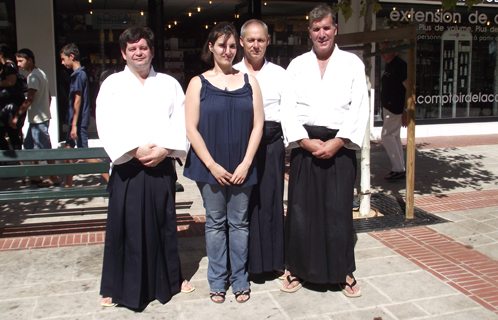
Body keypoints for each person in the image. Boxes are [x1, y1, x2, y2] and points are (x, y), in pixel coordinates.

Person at [96, 26, 193, 311]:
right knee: (124, 228)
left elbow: (181, 120)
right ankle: (116, 286)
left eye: (143, 47)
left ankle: (170, 280)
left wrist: (165, 149)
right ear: (123, 53)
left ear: (152, 51)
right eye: (132, 48)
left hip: (160, 164)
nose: (138, 52)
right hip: (128, 165)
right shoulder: (112, 84)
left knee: (163, 225)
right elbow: (105, 122)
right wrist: (133, 149)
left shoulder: (168, 83)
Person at [280, 4, 369, 297]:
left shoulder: (353, 63)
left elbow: (360, 107)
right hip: (306, 145)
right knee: (301, 210)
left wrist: (340, 141)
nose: (322, 34)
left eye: (327, 28)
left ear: (335, 29)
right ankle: (297, 268)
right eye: (316, 29)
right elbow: (287, 108)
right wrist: (302, 141)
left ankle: (342, 271)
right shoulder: (297, 65)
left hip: (340, 146)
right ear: (309, 32)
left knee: (338, 211)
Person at [183, 22, 264, 304]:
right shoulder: (197, 83)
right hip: (210, 167)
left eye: (231, 46)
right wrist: (212, 165)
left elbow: (258, 125)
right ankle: (217, 280)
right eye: (222, 45)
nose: (227, 51)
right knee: (216, 223)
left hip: (242, 165)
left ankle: (239, 278)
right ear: (211, 47)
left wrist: (246, 163)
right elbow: (191, 129)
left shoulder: (249, 81)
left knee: (239, 223)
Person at [233, 19, 286, 276]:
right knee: (243, 206)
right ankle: (245, 264)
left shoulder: (280, 74)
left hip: (272, 146)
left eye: (260, 40)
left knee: (270, 203)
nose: (256, 45)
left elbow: (289, 113)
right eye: (251, 40)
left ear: (268, 41)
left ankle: (272, 262)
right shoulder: (230, 73)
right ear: (242, 42)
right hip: (240, 149)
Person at [60, 43, 108, 187]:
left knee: (83, 153)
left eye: (63, 59)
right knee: (68, 151)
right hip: (75, 121)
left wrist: (74, 124)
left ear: (71, 56)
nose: (62, 63)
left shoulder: (78, 75)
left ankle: (109, 175)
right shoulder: (80, 74)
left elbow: (77, 100)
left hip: (78, 122)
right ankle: (68, 183)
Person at [14, 48, 60, 187]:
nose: (18, 64)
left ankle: (54, 177)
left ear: (29, 60)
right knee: (29, 147)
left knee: (44, 149)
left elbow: (29, 99)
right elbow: (48, 95)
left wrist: (17, 116)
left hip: (38, 120)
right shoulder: (41, 73)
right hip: (38, 118)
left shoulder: (33, 77)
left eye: (21, 61)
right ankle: (35, 176)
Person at [380, 41, 408, 180]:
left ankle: (398, 168)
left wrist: (406, 110)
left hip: (396, 108)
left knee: (386, 136)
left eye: (385, 50)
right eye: (381, 50)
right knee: (394, 137)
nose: (382, 54)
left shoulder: (400, 65)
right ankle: (399, 168)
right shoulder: (389, 65)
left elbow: (409, 89)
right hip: (388, 107)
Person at [0, 43, 25, 151]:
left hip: (9, 108)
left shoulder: (8, 66)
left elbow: (11, 82)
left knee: (11, 133)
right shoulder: (8, 66)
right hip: (9, 107)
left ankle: (12, 160)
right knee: (13, 135)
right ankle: (15, 160)